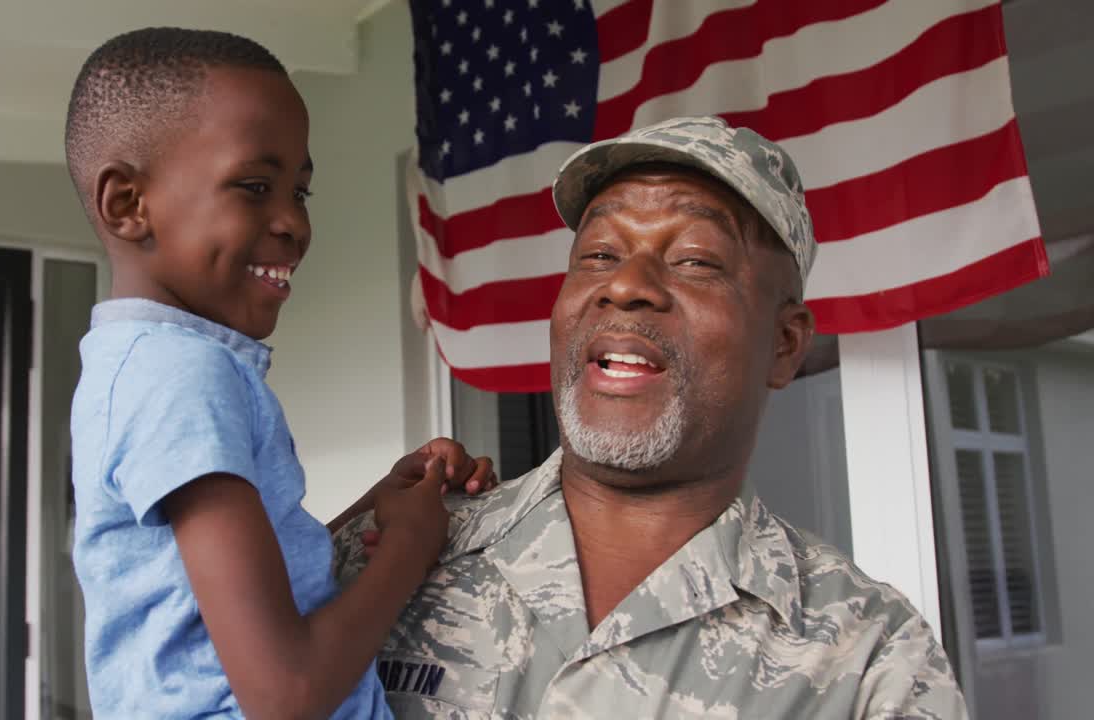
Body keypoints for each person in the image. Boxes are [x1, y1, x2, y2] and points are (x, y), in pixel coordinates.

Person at [335, 117, 969, 718]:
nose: (625, 285)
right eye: (599, 255)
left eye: (695, 259)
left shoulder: (870, 655)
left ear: (783, 344)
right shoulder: (390, 554)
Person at [64, 27, 494, 720]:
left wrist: (381, 500)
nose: (293, 221)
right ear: (128, 204)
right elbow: (285, 693)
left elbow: (249, 595)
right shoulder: (180, 377)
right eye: (256, 186)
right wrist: (410, 547)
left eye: (301, 190)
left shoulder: (142, 366)